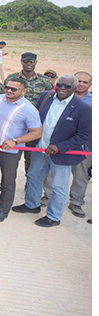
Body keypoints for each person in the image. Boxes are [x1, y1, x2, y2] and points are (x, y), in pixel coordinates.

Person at [13, 75, 92, 227]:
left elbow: (85, 135)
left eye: (67, 86)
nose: (62, 88)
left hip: (62, 155)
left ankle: (54, 217)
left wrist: (60, 147)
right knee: (34, 177)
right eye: (60, 85)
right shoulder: (46, 96)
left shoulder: (84, 109)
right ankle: (32, 205)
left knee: (58, 186)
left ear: (74, 89)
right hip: (40, 148)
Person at [0, 79, 43, 222]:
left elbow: (36, 132)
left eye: (14, 89)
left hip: (10, 152)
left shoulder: (29, 109)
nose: (9, 91)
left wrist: (15, 141)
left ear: (24, 91)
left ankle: (2, 211)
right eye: (7, 87)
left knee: (7, 182)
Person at [64, 72, 92, 218]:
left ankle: (76, 202)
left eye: (85, 82)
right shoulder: (61, 96)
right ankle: (47, 196)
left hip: (83, 146)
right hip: (60, 144)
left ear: (90, 85)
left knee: (80, 175)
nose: (81, 84)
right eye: (78, 81)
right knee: (52, 173)